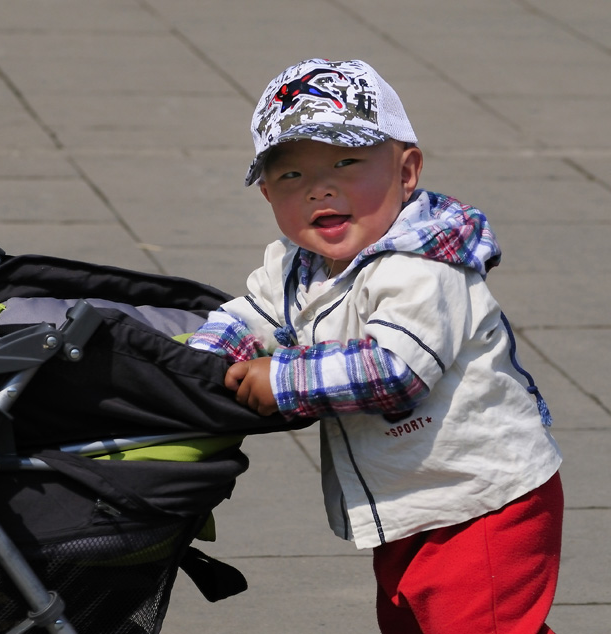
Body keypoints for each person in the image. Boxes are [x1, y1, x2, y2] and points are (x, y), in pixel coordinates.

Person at [188, 58, 563, 634]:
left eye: (346, 162)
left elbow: (394, 370)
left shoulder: (423, 266)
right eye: (291, 177)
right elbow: (252, 314)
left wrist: (281, 379)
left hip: (481, 500)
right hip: (413, 501)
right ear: (267, 194)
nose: (320, 187)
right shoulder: (298, 265)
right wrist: (198, 360)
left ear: (406, 171)